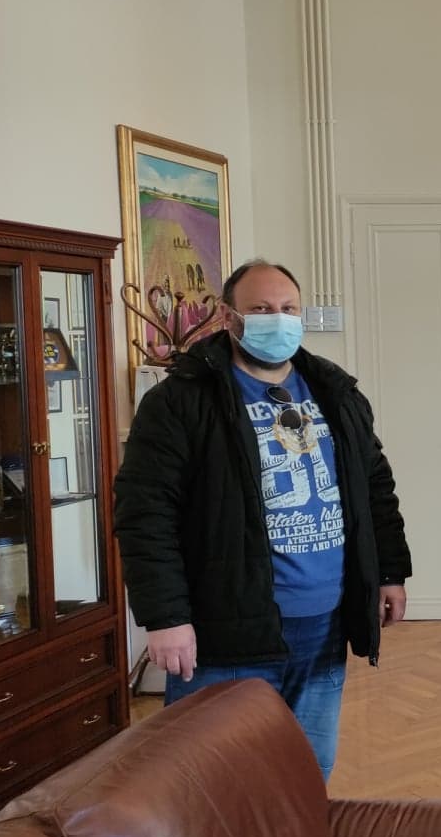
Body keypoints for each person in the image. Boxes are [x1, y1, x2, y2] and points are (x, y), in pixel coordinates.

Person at [115, 260, 411, 780]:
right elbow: (145, 513)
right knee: (212, 782)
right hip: (226, 632)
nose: (278, 319)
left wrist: (389, 572)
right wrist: (164, 617)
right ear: (229, 317)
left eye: (288, 308)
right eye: (261, 308)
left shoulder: (334, 392)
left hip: (323, 628)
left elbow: (374, 489)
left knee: (306, 775)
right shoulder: (181, 400)